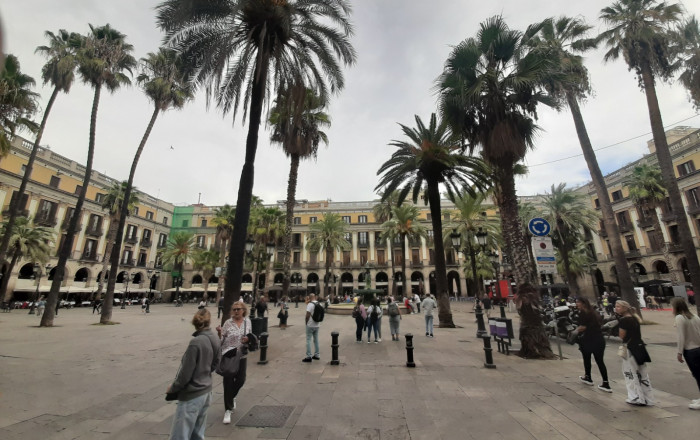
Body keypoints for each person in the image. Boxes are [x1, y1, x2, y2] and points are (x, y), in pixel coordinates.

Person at [167, 308, 220, 440]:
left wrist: (173, 388)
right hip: (206, 392)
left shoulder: (195, 342)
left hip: (192, 395)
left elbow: (185, 374)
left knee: (180, 436)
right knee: (197, 435)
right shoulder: (215, 337)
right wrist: (204, 373)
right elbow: (216, 362)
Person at [217, 302, 251, 424]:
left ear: (243, 310)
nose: (236, 311)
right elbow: (221, 340)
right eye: (234, 309)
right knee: (228, 382)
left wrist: (248, 339)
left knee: (241, 379)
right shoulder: (227, 323)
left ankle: (231, 397)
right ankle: (228, 410)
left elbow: (250, 336)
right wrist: (219, 333)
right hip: (229, 355)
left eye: (238, 309)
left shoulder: (248, 321)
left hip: (242, 355)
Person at [616, 300, 654, 406]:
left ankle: (636, 397)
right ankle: (648, 398)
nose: (616, 308)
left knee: (630, 373)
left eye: (618, 306)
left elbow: (622, 336)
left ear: (624, 308)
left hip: (630, 348)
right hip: (640, 346)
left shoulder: (624, 320)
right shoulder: (635, 318)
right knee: (642, 373)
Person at [575, 297, 611, 392]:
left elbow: (582, 327)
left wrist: (575, 331)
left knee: (587, 358)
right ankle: (606, 382)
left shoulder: (583, 313)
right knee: (600, 361)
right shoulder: (594, 313)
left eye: (578, 302)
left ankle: (588, 377)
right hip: (599, 339)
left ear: (583, 303)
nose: (576, 304)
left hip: (588, 339)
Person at [671, 298, 700, 410]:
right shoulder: (694, 316)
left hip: (690, 350)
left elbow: (681, 336)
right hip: (698, 348)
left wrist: (679, 352)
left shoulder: (679, 318)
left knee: (698, 375)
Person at [303, 294, 322, 362]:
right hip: (317, 324)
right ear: (315, 297)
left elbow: (307, 315)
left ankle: (309, 356)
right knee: (316, 340)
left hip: (310, 324)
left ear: (310, 298)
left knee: (308, 340)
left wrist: (306, 322)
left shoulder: (310, 304)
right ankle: (317, 355)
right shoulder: (319, 304)